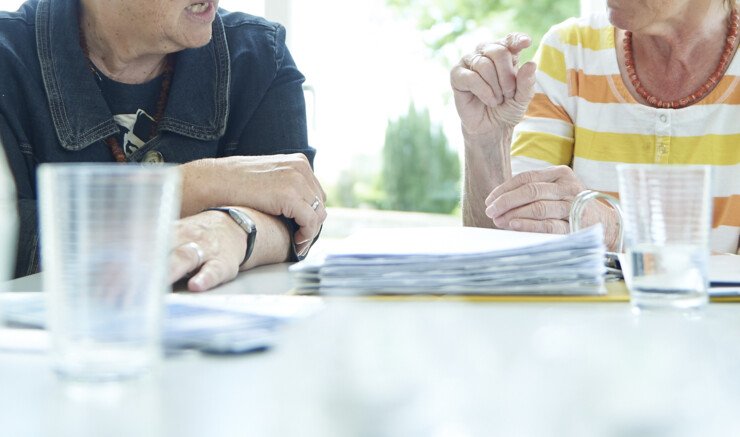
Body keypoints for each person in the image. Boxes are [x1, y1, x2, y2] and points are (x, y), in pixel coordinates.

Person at [0, 0, 327, 291]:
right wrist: (200, 185)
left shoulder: (260, 56)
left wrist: (233, 227)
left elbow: (294, 214)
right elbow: (14, 238)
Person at [451, 0, 740, 254]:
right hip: (579, 318)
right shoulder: (570, 51)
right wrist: (488, 140)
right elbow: (510, 250)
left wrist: (617, 232)